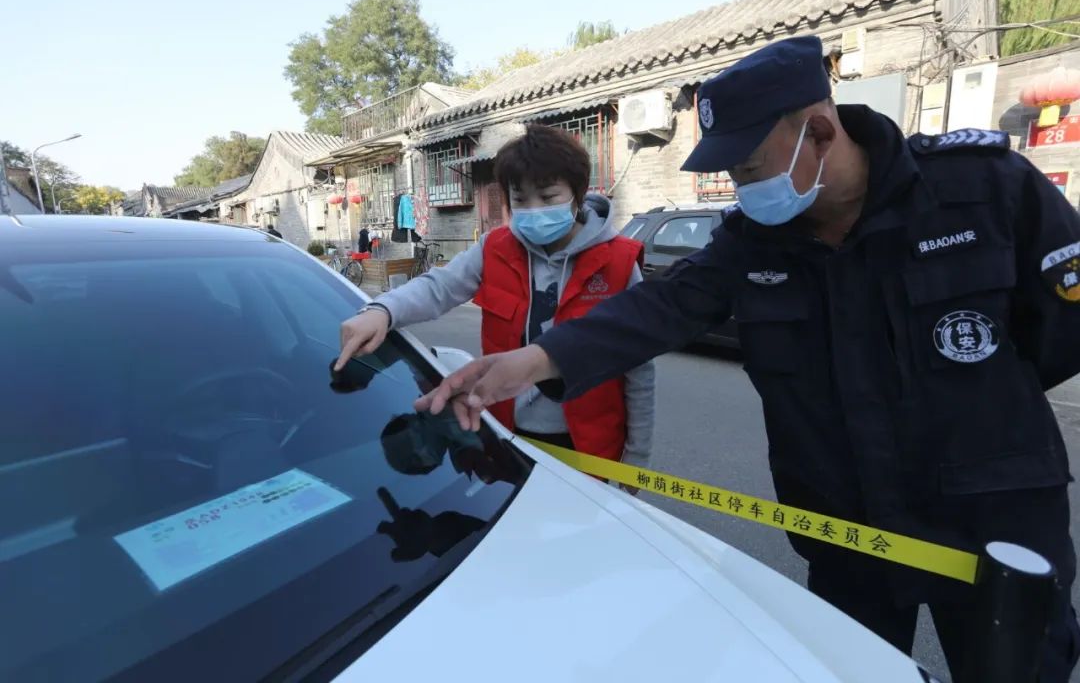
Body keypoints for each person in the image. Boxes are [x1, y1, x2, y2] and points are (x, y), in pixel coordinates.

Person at [415, 36, 1080, 681]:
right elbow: (659, 309)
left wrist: (975, 414)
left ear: (820, 133)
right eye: (731, 173)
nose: (741, 188)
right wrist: (534, 360)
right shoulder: (754, 241)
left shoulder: (982, 190)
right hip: (845, 529)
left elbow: (1059, 335)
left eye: (750, 168)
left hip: (995, 525)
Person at [336, 124, 656, 486]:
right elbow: (439, 287)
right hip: (507, 437)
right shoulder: (496, 248)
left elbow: (639, 368)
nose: (533, 210)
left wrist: (636, 460)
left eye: (548, 197)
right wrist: (382, 310)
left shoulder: (618, 262)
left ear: (577, 194)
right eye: (520, 199)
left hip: (589, 448)